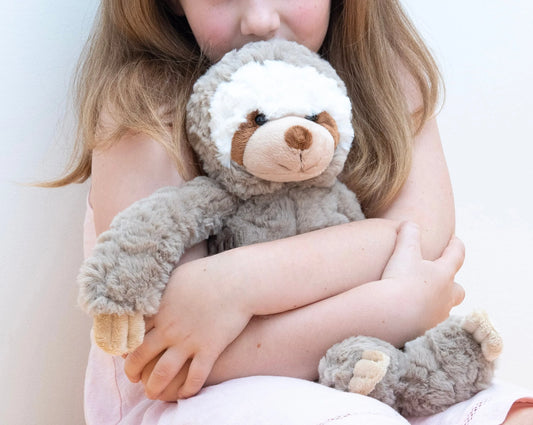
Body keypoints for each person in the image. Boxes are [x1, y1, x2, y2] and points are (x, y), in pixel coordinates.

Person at [49, 1, 533, 424]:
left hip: (384, 369)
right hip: (203, 398)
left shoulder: (387, 77)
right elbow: (173, 365)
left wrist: (235, 284)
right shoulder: (144, 106)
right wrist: (395, 307)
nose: (260, 20)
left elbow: (420, 243)